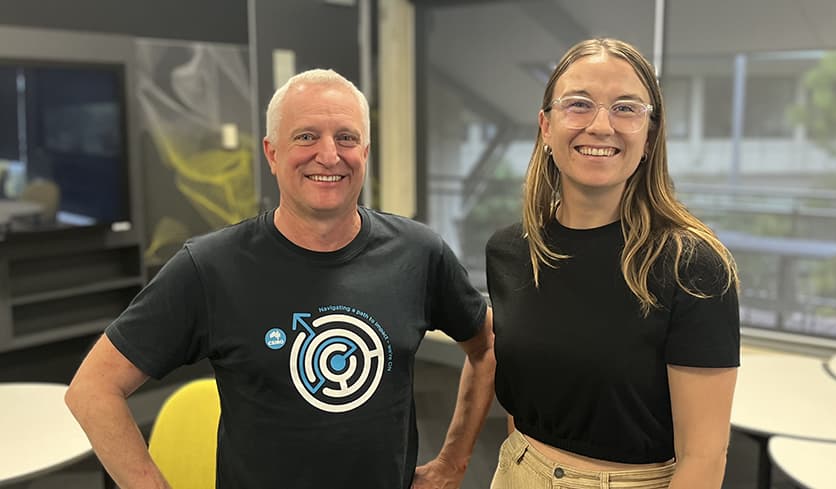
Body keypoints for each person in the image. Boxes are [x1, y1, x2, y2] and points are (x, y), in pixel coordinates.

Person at [65, 68, 495, 489]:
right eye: (306, 136)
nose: (329, 155)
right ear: (272, 153)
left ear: (364, 152)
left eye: (346, 137)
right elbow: (93, 390)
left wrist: (452, 465)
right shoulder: (211, 266)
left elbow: (487, 345)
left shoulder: (419, 253)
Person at [485, 38, 740, 489]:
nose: (601, 125)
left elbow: (703, 457)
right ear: (545, 127)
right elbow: (522, 410)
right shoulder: (510, 250)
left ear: (650, 135)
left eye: (626, 108)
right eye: (579, 104)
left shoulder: (692, 266)